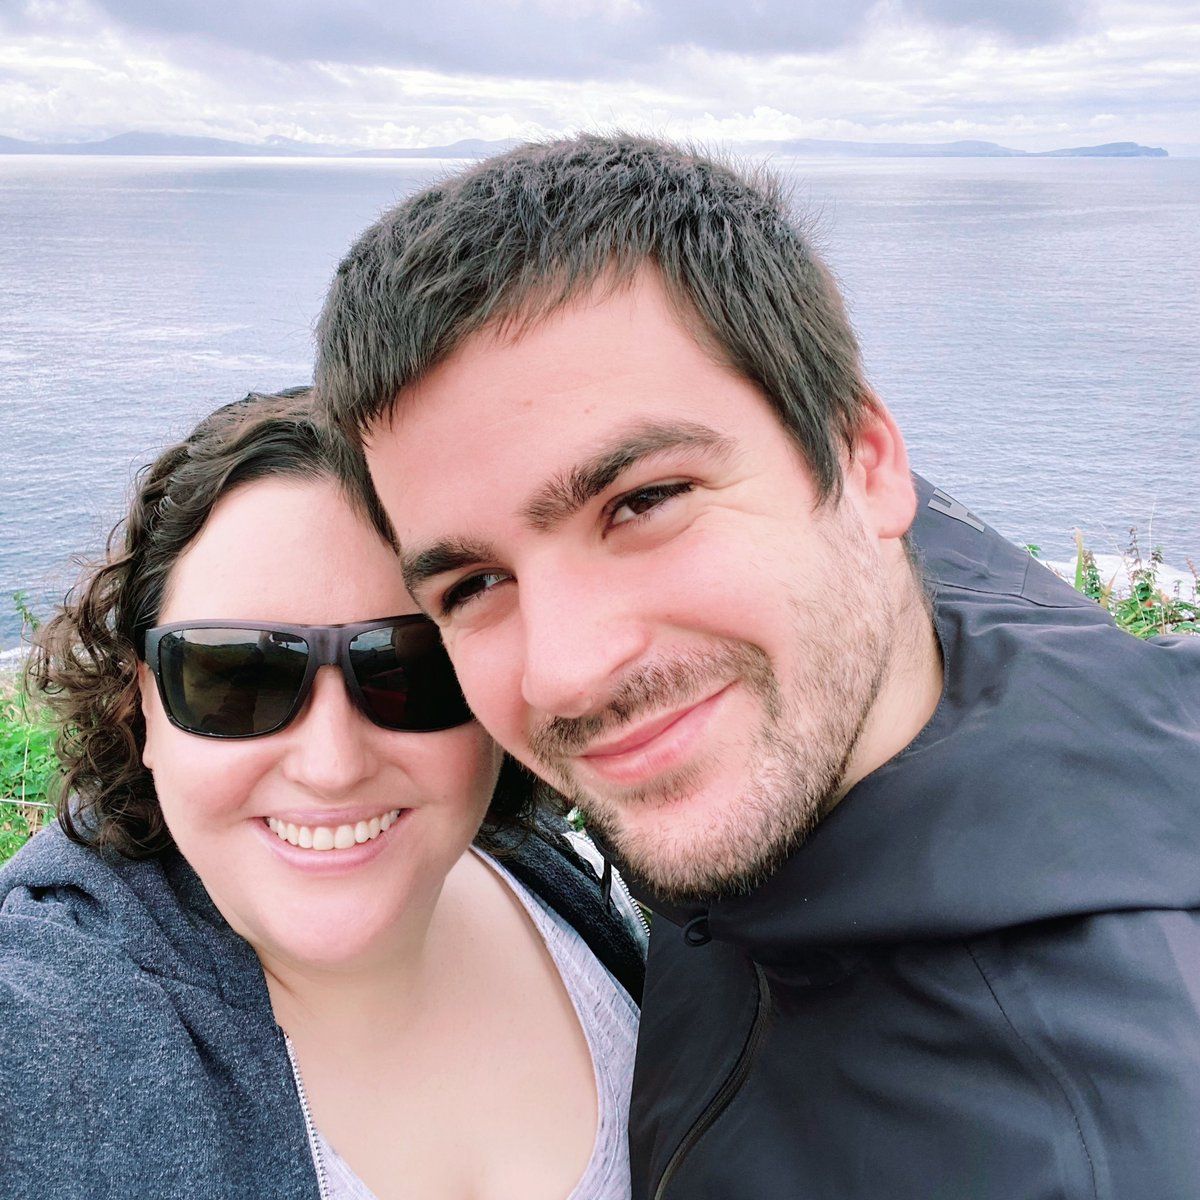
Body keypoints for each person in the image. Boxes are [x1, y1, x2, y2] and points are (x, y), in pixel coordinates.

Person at [314, 134, 1200, 1200]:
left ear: (866, 461)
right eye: (472, 585)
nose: (565, 672)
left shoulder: (1084, 1144)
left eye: (643, 502)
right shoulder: (883, 616)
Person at [0, 388, 646, 1200]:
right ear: (145, 706)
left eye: (411, 668)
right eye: (239, 676)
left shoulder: (573, 883)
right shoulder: (51, 1031)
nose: (333, 764)